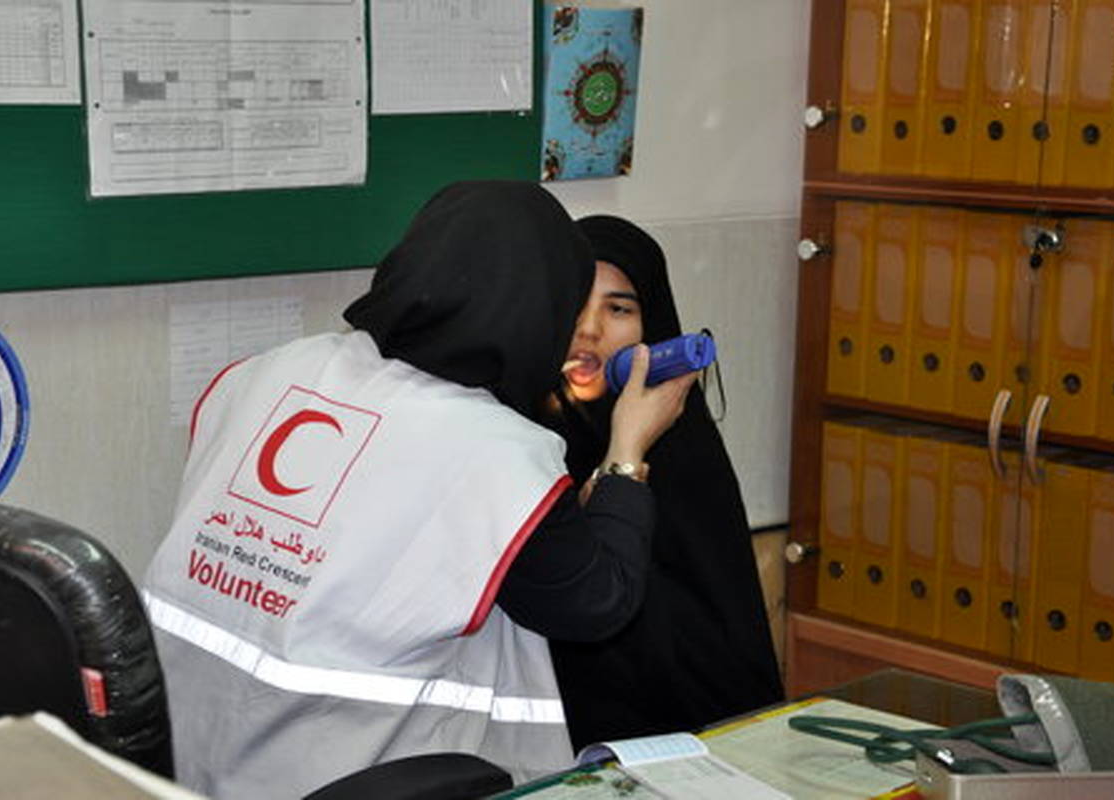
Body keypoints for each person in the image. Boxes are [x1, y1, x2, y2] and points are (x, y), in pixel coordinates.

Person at [140, 182, 696, 799]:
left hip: (176, 760)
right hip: (343, 770)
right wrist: (627, 451)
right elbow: (596, 602)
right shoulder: (495, 451)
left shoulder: (266, 372)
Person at [547, 214, 784, 751]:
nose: (590, 330)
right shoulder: (521, 427)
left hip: (676, 740)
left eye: (618, 309)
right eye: (575, 302)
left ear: (650, 326)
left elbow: (709, 632)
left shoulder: (680, 443)